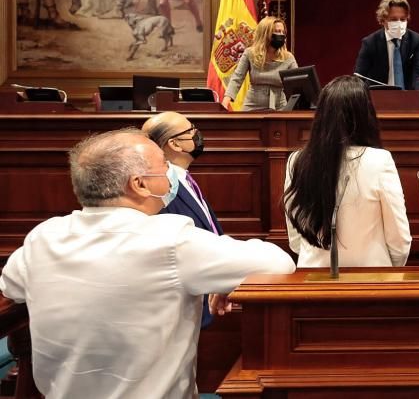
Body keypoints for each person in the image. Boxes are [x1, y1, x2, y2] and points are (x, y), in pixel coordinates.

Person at [0, 129, 295, 398]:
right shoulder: (170, 240)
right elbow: (279, 263)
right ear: (139, 184)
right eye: (164, 168)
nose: (170, 178)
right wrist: (225, 280)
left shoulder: (44, 236)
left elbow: (10, 285)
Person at [283, 75, 411, 267]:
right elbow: (399, 241)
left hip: (312, 281)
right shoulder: (380, 161)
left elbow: (295, 239)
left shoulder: (296, 161)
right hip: (371, 284)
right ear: (365, 116)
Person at [142, 112, 223, 328]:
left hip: (206, 296)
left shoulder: (184, 180)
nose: (197, 134)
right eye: (191, 131)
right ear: (175, 144)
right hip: (185, 307)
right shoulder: (162, 189)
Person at [222, 16, 298, 110]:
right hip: (252, 105)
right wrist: (225, 102)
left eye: (283, 32)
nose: (281, 35)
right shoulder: (250, 53)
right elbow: (237, 78)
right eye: (277, 31)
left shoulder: (288, 57)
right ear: (266, 33)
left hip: (279, 106)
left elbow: (298, 83)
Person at [354, 0, 419, 91]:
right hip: (378, 99)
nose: (399, 24)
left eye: (403, 19)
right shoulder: (370, 42)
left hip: (408, 97)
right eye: (393, 19)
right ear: (383, 20)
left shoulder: (416, 40)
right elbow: (359, 77)